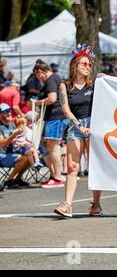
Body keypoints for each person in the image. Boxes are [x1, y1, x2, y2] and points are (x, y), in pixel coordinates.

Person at [53, 44, 102, 218]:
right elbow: (66, 109)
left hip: (93, 127)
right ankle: (67, 205)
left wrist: (106, 81)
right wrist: (79, 126)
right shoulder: (64, 85)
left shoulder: (95, 85)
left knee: (94, 168)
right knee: (72, 167)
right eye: (84, 64)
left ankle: (96, 204)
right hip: (76, 127)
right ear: (75, 65)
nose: (87, 67)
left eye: (89, 65)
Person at [34, 59, 68, 188]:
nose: (39, 78)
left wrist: (36, 103)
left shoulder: (52, 79)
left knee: (53, 146)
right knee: (45, 144)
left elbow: (52, 99)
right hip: (51, 117)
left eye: (38, 75)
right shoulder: (53, 79)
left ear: (41, 71)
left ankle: (58, 177)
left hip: (55, 117)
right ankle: (54, 175)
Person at [0, 103, 32, 191]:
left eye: (10, 110)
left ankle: (17, 179)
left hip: (12, 152)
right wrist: (13, 135)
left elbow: (20, 138)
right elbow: (2, 144)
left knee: (30, 155)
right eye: (5, 112)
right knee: (23, 158)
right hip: (2, 154)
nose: (9, 113)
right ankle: (9, 180)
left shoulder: (12, 125)